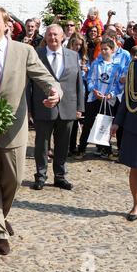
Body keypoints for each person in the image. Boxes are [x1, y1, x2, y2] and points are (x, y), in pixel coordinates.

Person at [0, 6, 62, 255]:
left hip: (15, 127)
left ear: (6, 23)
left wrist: (55, 91)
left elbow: (44, 77)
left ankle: (1, 213)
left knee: (15, 178)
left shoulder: (24, 51)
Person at [27, 24, 84, 191]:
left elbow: (78, 83)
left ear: (62, 37)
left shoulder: (73, 56)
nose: (53, 38)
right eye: (50, 35)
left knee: (63, 144)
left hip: (68, 107)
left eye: (56, 35)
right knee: (42, 145)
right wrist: (29, 107)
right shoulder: (37, 55)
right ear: (45, 37)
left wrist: (80, 106)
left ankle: (60, 176)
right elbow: (29, 84)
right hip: (42, 106)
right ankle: (41, 175)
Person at [111, 30, 137, 222]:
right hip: (135, 123)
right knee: (135, 167)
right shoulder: (136, 65)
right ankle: (136, 204)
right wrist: (118, 121)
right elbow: (128, 95)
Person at [75, 39, 124, 160]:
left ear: (112, 50)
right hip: (94, 98)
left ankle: (107, 150)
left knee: (105, 125)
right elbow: (90, 79)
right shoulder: (96, 64)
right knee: (88, 124)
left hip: (108, 101)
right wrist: (94, 91)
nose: (103, 51)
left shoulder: (117, 67)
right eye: (101, 49)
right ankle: (81, 148)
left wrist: (110, 95)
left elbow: (119, 85)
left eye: (106, 49)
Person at [67, 32, 90, 155]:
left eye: (80, 45)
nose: (78, 47)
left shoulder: (84, 58)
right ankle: (64, 145)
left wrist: (86, 71)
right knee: (66, 121)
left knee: (76, 119)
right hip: (68, 90)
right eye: (75, 44)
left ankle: (72, 145)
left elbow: (89, 77)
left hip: (80, 91)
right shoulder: (66, 55)